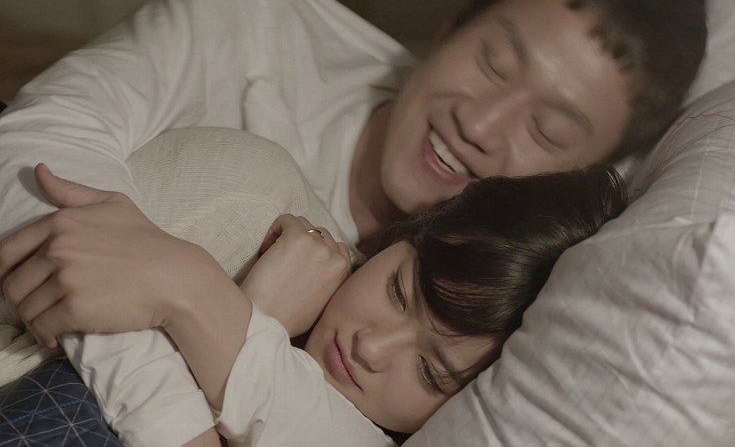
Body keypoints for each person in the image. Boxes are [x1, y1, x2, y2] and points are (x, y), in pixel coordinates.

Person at [0, 0, 705, 444]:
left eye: (546, 132)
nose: (481, 124)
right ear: (449, 29)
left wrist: (217, 308)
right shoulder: (246, 19)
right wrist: (181, 414)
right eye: (493, 63)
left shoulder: (517, 303)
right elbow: (35, 156)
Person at [3, 160, 627, 446]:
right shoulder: (264, 220)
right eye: (397, 290)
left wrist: (221, 301)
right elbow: (89, 266)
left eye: (429, 372)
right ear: (409, 233)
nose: (371, 346)